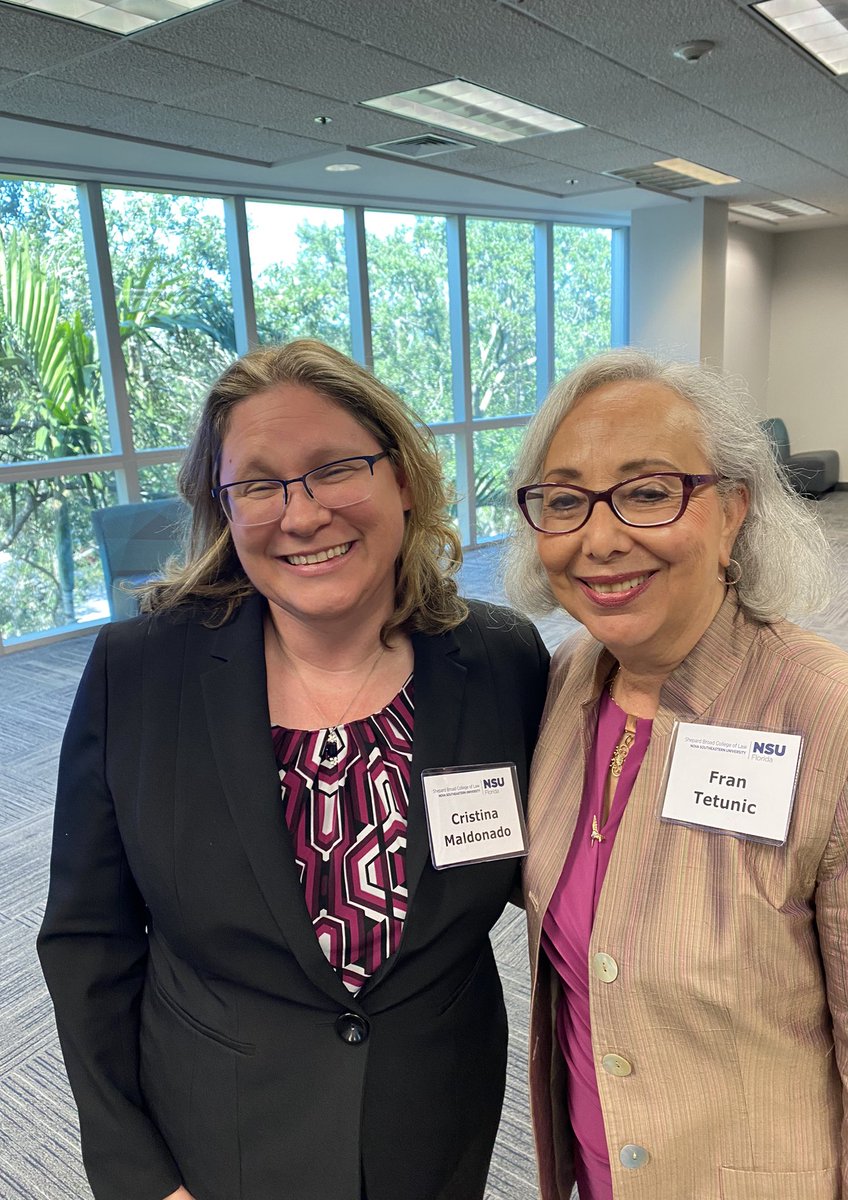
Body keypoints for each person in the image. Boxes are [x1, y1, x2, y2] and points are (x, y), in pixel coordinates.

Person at [38, 338, 549, 1200]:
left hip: (433, 1122)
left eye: (334, 467)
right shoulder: (141, 672)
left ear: (405, 480)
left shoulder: (501, 660)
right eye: (259, 484)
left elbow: (559, 875)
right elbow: (89, 940)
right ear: (223, 509)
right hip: (217, 1135)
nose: (301, 514)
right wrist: (137, 1175)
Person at [505, 348, 848, 1200]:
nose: (601, 538)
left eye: (649, 492)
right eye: (564, 500)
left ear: (732, 511)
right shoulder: (570, 676)